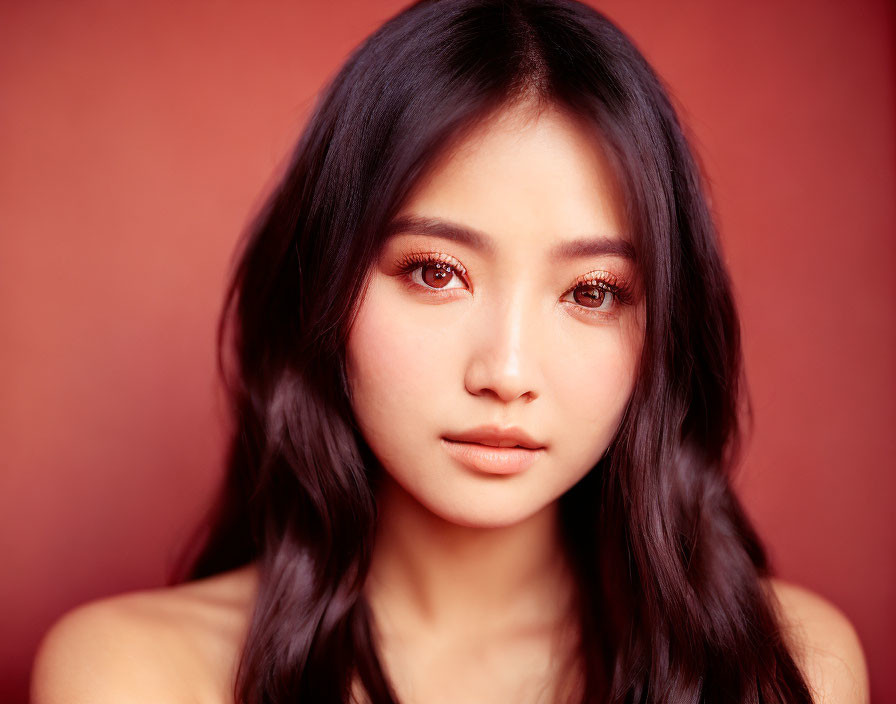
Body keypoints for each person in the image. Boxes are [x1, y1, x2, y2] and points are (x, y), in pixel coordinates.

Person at [30, 0, 870, 702]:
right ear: (325, 282)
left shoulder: (786, 667)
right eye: (436, 272)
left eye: (593, 292)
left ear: (664, 330)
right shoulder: (137, 674)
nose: (505, 373)